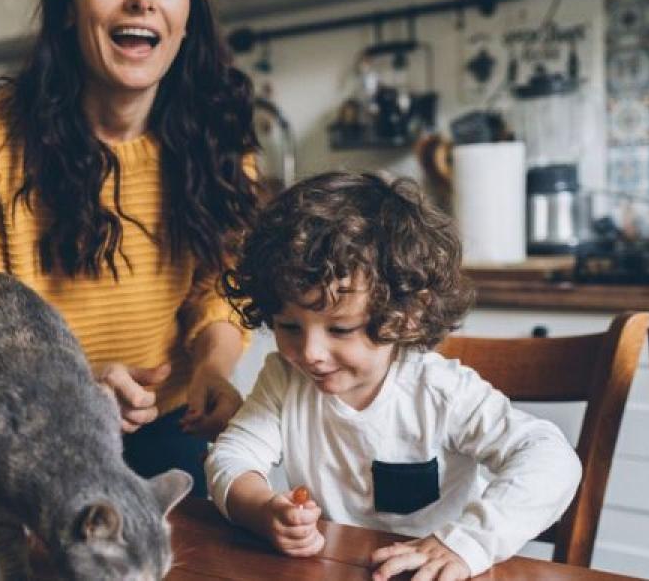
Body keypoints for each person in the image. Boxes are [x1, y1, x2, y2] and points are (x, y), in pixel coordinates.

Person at [0, 0, 259, 496]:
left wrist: (213, 366)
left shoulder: (217, 136)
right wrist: (78, 393)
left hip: (173, 421)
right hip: (34, 428)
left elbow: (222, 283)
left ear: (188, 17)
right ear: (66, 8)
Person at [206, 172, 581, 580]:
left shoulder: (439, 391)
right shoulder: (283, 380)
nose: (310, 354)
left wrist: (465, 542)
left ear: (405, 315)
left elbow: (551, 458)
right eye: (289, 326)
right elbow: (232, 456)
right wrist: (262, 510)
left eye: (340, 329)